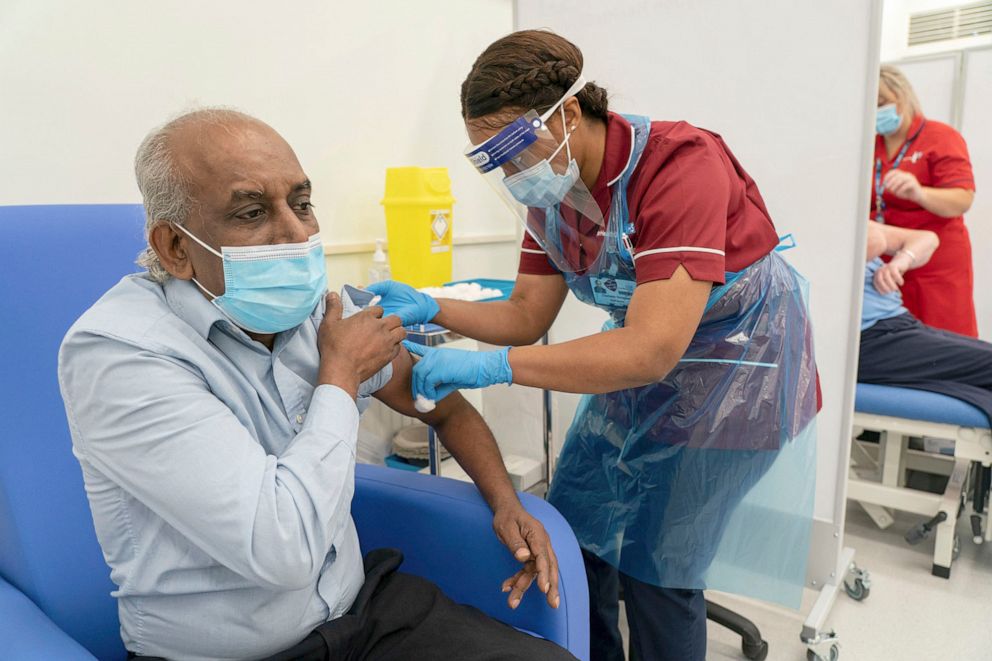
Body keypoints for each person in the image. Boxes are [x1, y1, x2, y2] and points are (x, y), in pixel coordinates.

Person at [58, 108, 575, 661]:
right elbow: (282, 550)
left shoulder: (315, 312)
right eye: (253, 212)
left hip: (362, 611)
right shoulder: (121, 354)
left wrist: (505, 502)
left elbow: (439, 404)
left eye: (302, 203)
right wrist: (339, 376)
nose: (298, 232)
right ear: (175, 248)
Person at [369, 30, 819, 661]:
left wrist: (491, 367)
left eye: (514, 149)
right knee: (578, 531)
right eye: (491, 159)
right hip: (641, 363)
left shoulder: (679, 164)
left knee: (658, 568)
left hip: (735, 371)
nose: (510, 172)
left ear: (570, 113)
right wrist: (430, 304)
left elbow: (651, 350)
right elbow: (527, 313)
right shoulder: (552, 194)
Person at [873, 64, 977, 336]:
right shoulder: (870, 145)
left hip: (935, 264)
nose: (877, 111)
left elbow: (962, 199)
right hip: (886, 263)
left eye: (883, 103)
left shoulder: (940, 138)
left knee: (944, 339)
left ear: (903, 97)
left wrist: (920, 193)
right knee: (894, 342)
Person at [859, 221, 992, 424]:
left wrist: (900, 262)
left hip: (897, 325)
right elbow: (872, 241)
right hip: (870, 339)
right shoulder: (822, 218)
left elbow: (927, 239)